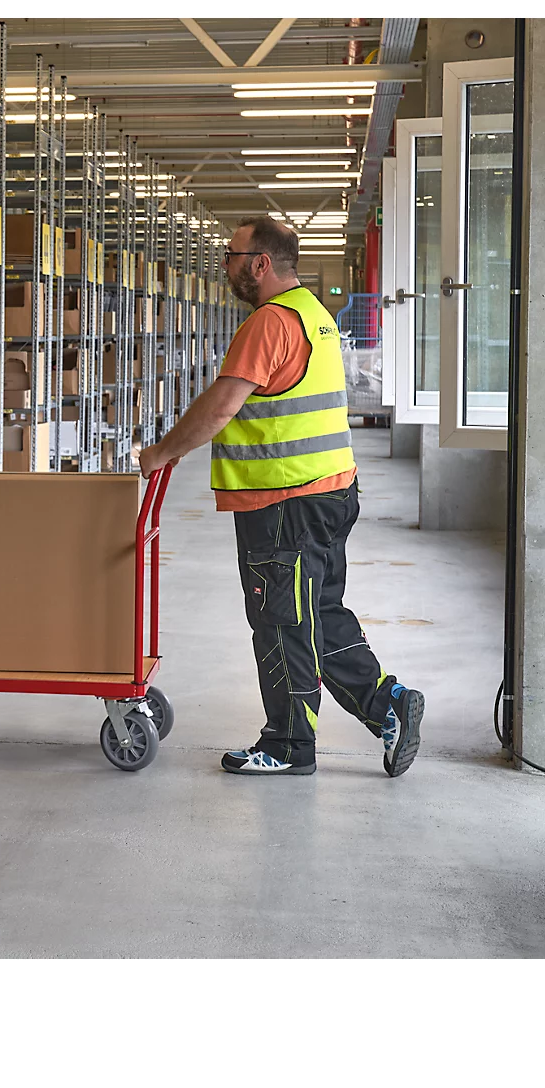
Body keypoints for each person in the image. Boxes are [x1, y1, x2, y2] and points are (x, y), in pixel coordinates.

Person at [137, 216, 424, 777]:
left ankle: (289, 744)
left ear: (260, 263)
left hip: (284, 503)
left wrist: (162, 453)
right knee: (317, 613)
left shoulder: (269, 323)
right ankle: (387, 703)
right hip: (331, 491)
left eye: (231, 255)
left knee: (281, 621)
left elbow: (221, 407)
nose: (225, 265)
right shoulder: (313, 314)